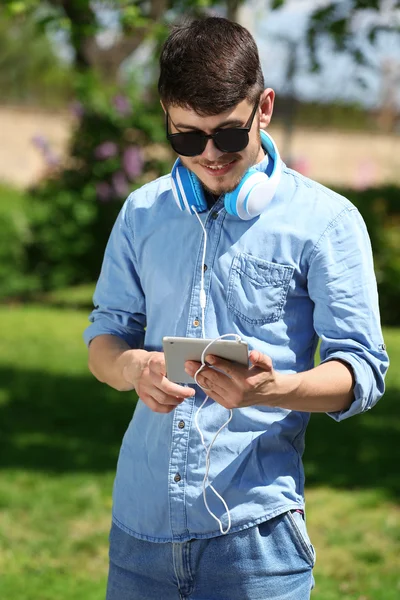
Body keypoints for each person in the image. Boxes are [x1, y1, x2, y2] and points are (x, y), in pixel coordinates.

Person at [84, 16, 389, 600]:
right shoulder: (142, 214)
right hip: (137, 535)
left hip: (256, 545)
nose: (210, 154)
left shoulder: (327, 222)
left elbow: (362, 372)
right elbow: (105, 336)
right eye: (186, 138)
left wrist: (269, 390)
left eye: (227, 135)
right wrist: (130, 369)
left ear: (264, 108)